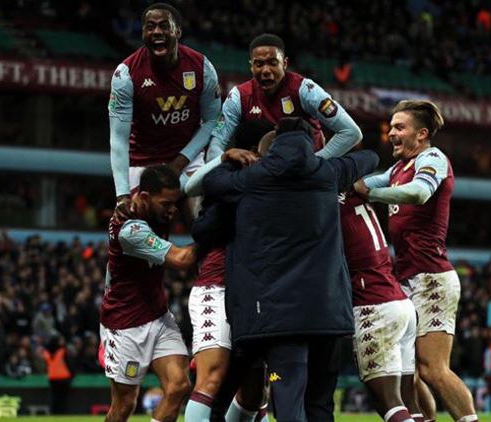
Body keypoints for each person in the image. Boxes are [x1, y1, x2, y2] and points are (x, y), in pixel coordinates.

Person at [203, 117, 379, 421]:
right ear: (310, 141)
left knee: (287, 403)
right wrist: (323, 160)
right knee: (321, 405)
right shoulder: (328, 172)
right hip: (327, 311)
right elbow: (370, 157)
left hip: (279, 314)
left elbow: (211, 184)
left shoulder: (253, 178)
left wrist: (229, 160)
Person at [357, 100, 478, 422]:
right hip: (407, 278)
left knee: (432, 368)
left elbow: (419, 193)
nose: (391, 132)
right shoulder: (396, 170)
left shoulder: (433, 158)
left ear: (421, 134)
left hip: (433, 278)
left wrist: (371, 194)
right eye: (391, 127)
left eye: (399, 127)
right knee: (407, 370)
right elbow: (362, 185)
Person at [183, 122, 268, 422]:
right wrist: (222, 162)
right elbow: (195, 206)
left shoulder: (271, 186)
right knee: (212, 376)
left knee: (255, 389)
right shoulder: (225, 183)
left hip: (253, 294)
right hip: (215, 287)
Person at [100, 165, 196, 422]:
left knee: (179, 386)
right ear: (144, 197)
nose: (173, 209)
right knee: (124, 406)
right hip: (126, 324)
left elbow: (193, 176)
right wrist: (216, 231)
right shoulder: (130, 230)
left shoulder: (150, 206)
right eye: (166, 203)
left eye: (175, 203)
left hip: (158, 315)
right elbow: (183, 259)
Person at [108, 3, 221, 219]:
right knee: (135, 227)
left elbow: (212, 121)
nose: (157, 32)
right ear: (143, 32)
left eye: (164, 26)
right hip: (143, 161)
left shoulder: (202, 67)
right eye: (150, 27)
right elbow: (118, 138)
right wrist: (121, 195)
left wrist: (179, 162)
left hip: (188, 157)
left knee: (204, 219)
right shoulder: (125, 75)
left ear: (177, 31)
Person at [206, 33, 361, 161]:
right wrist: (225, 159)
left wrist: (315, 162)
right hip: (263, 172)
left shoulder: (306, 90)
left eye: (273, 63)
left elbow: (351, 132)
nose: (266, 70)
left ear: (285, 64)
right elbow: (216, 144)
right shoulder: (238, 96)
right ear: (251, 66)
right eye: (259, 64)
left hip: (307, 174)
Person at [339, 187, 420, 422]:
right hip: (401, 303)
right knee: (407, 398)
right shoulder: (356, 196)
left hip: (374, 305)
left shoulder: (329, 204)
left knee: (386, 401)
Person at [41, 335, 73, 414]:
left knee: (55, 397)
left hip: (52, 377)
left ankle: (55, 413)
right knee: (63, 398)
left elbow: (45, 365)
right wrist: (73, 374)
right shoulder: (62, 350)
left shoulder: (46, 352)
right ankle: (63, 412)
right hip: (64, 377)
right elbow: (69, 363)